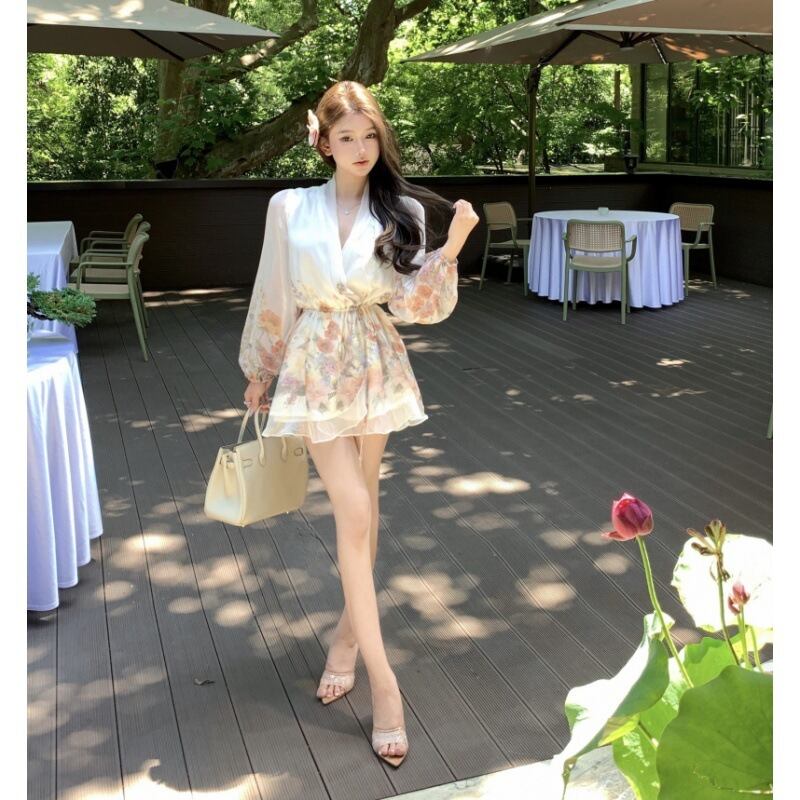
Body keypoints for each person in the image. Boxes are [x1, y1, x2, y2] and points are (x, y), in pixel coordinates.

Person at [239, 80, 478, 768]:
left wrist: (454, 244)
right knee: (351, 509)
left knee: (366, 510)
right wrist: (262, 365)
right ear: (323, 142)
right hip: (314, 360)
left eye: (370, 135)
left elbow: (416, 304)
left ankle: (346, 643)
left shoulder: (401, 209)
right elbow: (273, 287)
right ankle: (385, 683)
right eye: (346, 137)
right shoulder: (289, 206)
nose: (361, 148)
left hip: (374, 357)